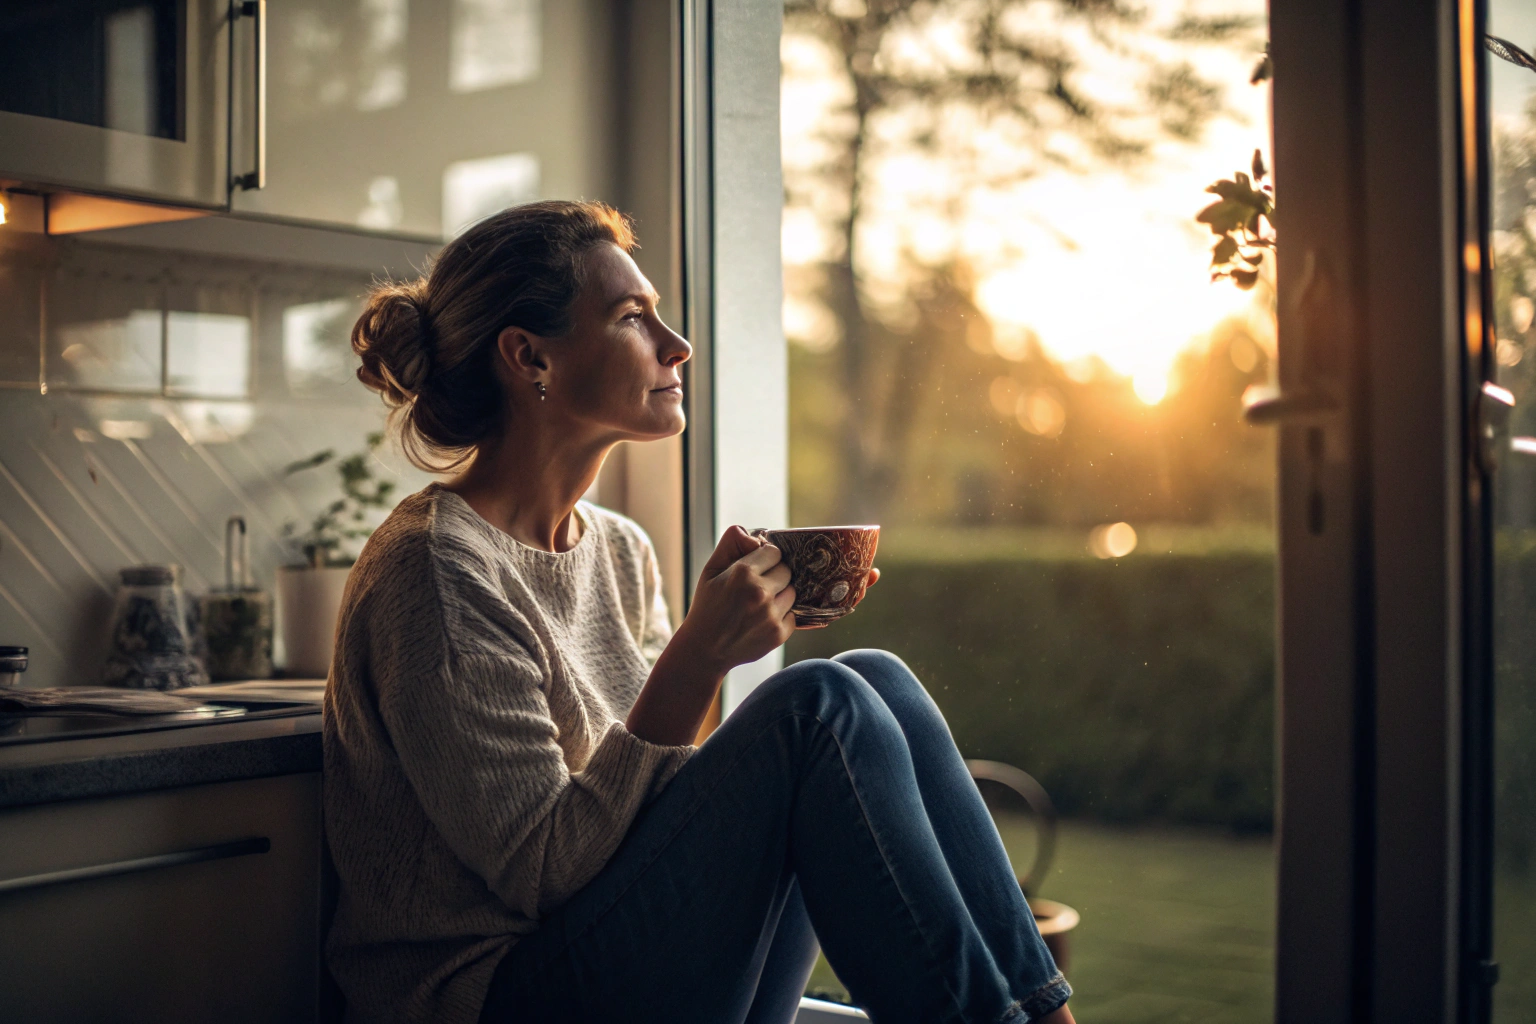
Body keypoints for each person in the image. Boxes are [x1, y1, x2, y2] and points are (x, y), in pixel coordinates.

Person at [323, 200, 1074, 1024]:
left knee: (875, 680)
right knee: (816, 708)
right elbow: (543, 873)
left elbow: (657, 801)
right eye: (631, 316)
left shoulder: (617, 548)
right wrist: (699, 656)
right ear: (530, 357)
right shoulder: (436, 572)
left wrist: (722, 649)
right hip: (495, 996)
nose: (676, 343)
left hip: (621, 954)